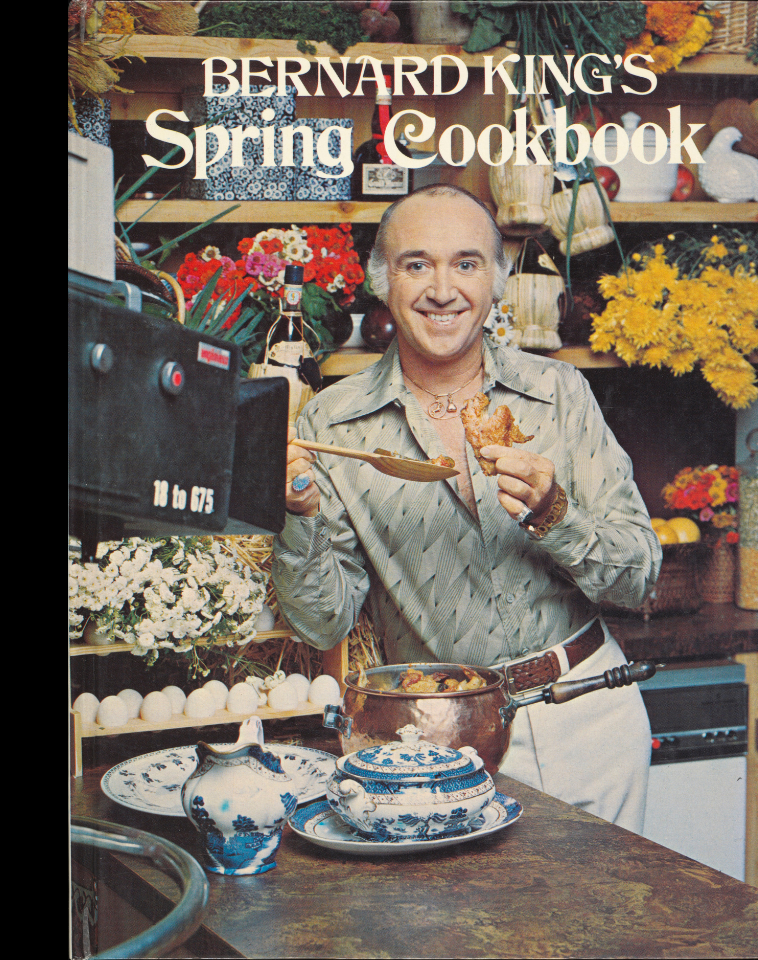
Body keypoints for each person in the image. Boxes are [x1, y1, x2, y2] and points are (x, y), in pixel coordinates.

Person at [271, 184, 662, 834]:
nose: (442, 289)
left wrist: (554, 512)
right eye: (416, 263)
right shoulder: (333, 422)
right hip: (441, 738)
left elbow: (639, 576)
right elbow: (322, 620)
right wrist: (298, 512)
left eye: (466, 263)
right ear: (381, 282)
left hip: (589, 708)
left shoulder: (558, 394)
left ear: (497, 282)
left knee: (605, 935)